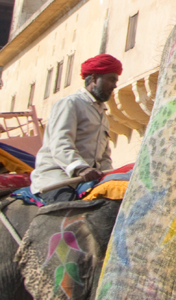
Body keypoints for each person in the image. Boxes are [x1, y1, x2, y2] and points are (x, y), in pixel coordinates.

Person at [30, 53, 122, 204]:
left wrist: (110, 175)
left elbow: (104, 156)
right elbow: (60, 143)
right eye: (111, 79)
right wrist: (81, 169)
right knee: (71, 213)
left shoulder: (102, 114)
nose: (115, 85)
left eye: (116, 80)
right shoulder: (70, 104)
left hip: (88, 179)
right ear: (93, 78)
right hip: (58, 178)